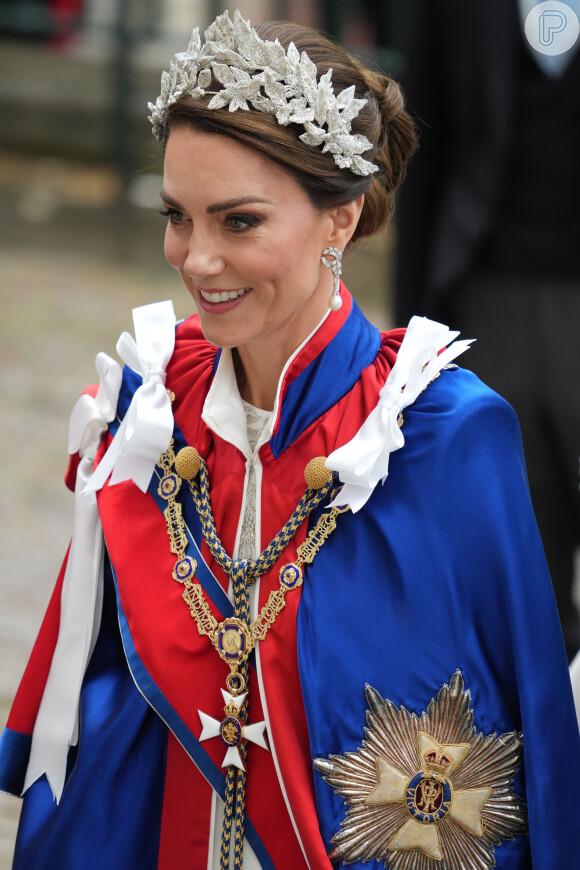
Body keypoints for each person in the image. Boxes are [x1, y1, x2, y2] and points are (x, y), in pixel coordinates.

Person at [1, 10, 579, 869]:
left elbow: (522, 740)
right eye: (176, 216)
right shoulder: (147, 415)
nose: (196, 259)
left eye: (237, 222)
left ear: (339, 221)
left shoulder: (448, 432)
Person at [394, 0, 580, 661]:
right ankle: (536, 753)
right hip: (489, 295)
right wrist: (409, 344)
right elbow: (425, 157)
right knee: (513, 586)